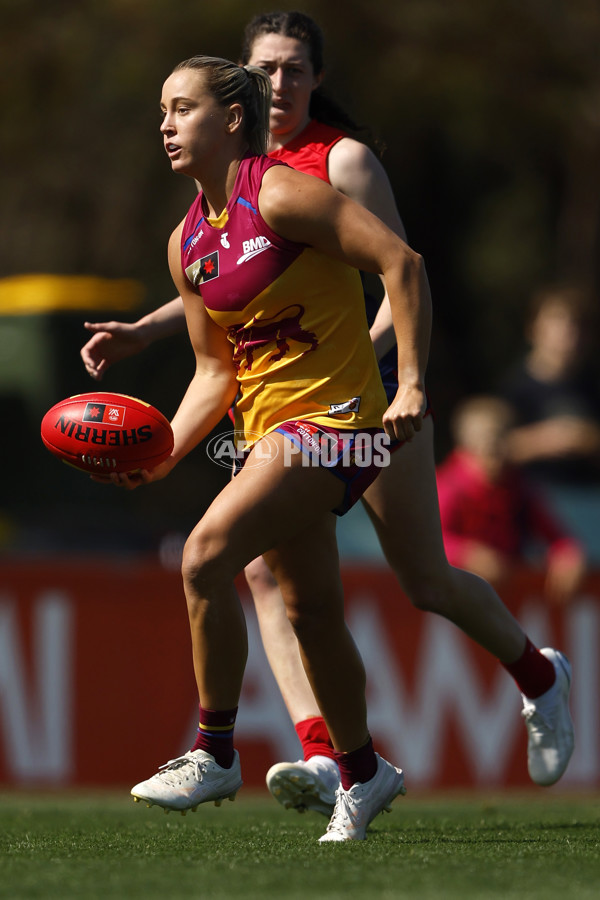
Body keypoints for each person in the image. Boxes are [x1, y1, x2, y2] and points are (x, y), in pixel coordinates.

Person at [81, 12, 575, 817]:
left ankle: (215, 749)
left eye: (294, 69)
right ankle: (350, 764)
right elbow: (219, 355)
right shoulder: (188, 239)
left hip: (357, 406)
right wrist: (162, 450)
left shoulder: (326, 167)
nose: (165, 125)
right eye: (266, 68)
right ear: (246, 79)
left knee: (256, 558)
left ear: (236, 108)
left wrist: (403, 382)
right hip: (274, 422)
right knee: (301, 600)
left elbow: (398, 268)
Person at [437, 394, 586, 604]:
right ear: (465, 447)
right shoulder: (447, 486)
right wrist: (467, 555)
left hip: (508, 601)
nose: (495, 456)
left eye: (501, 445)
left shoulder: (519, 487)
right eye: (487, 446)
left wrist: (569, 556)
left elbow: (558, 539)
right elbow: (428, 538)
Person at [500, 284, 600, 490]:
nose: (568, 332)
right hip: (532, 498)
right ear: (533, 329)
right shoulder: (514, 388)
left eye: (576, 323)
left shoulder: (592, 384)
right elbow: (491, 448)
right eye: (557, 321)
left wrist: (587, 439)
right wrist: (545, 440)